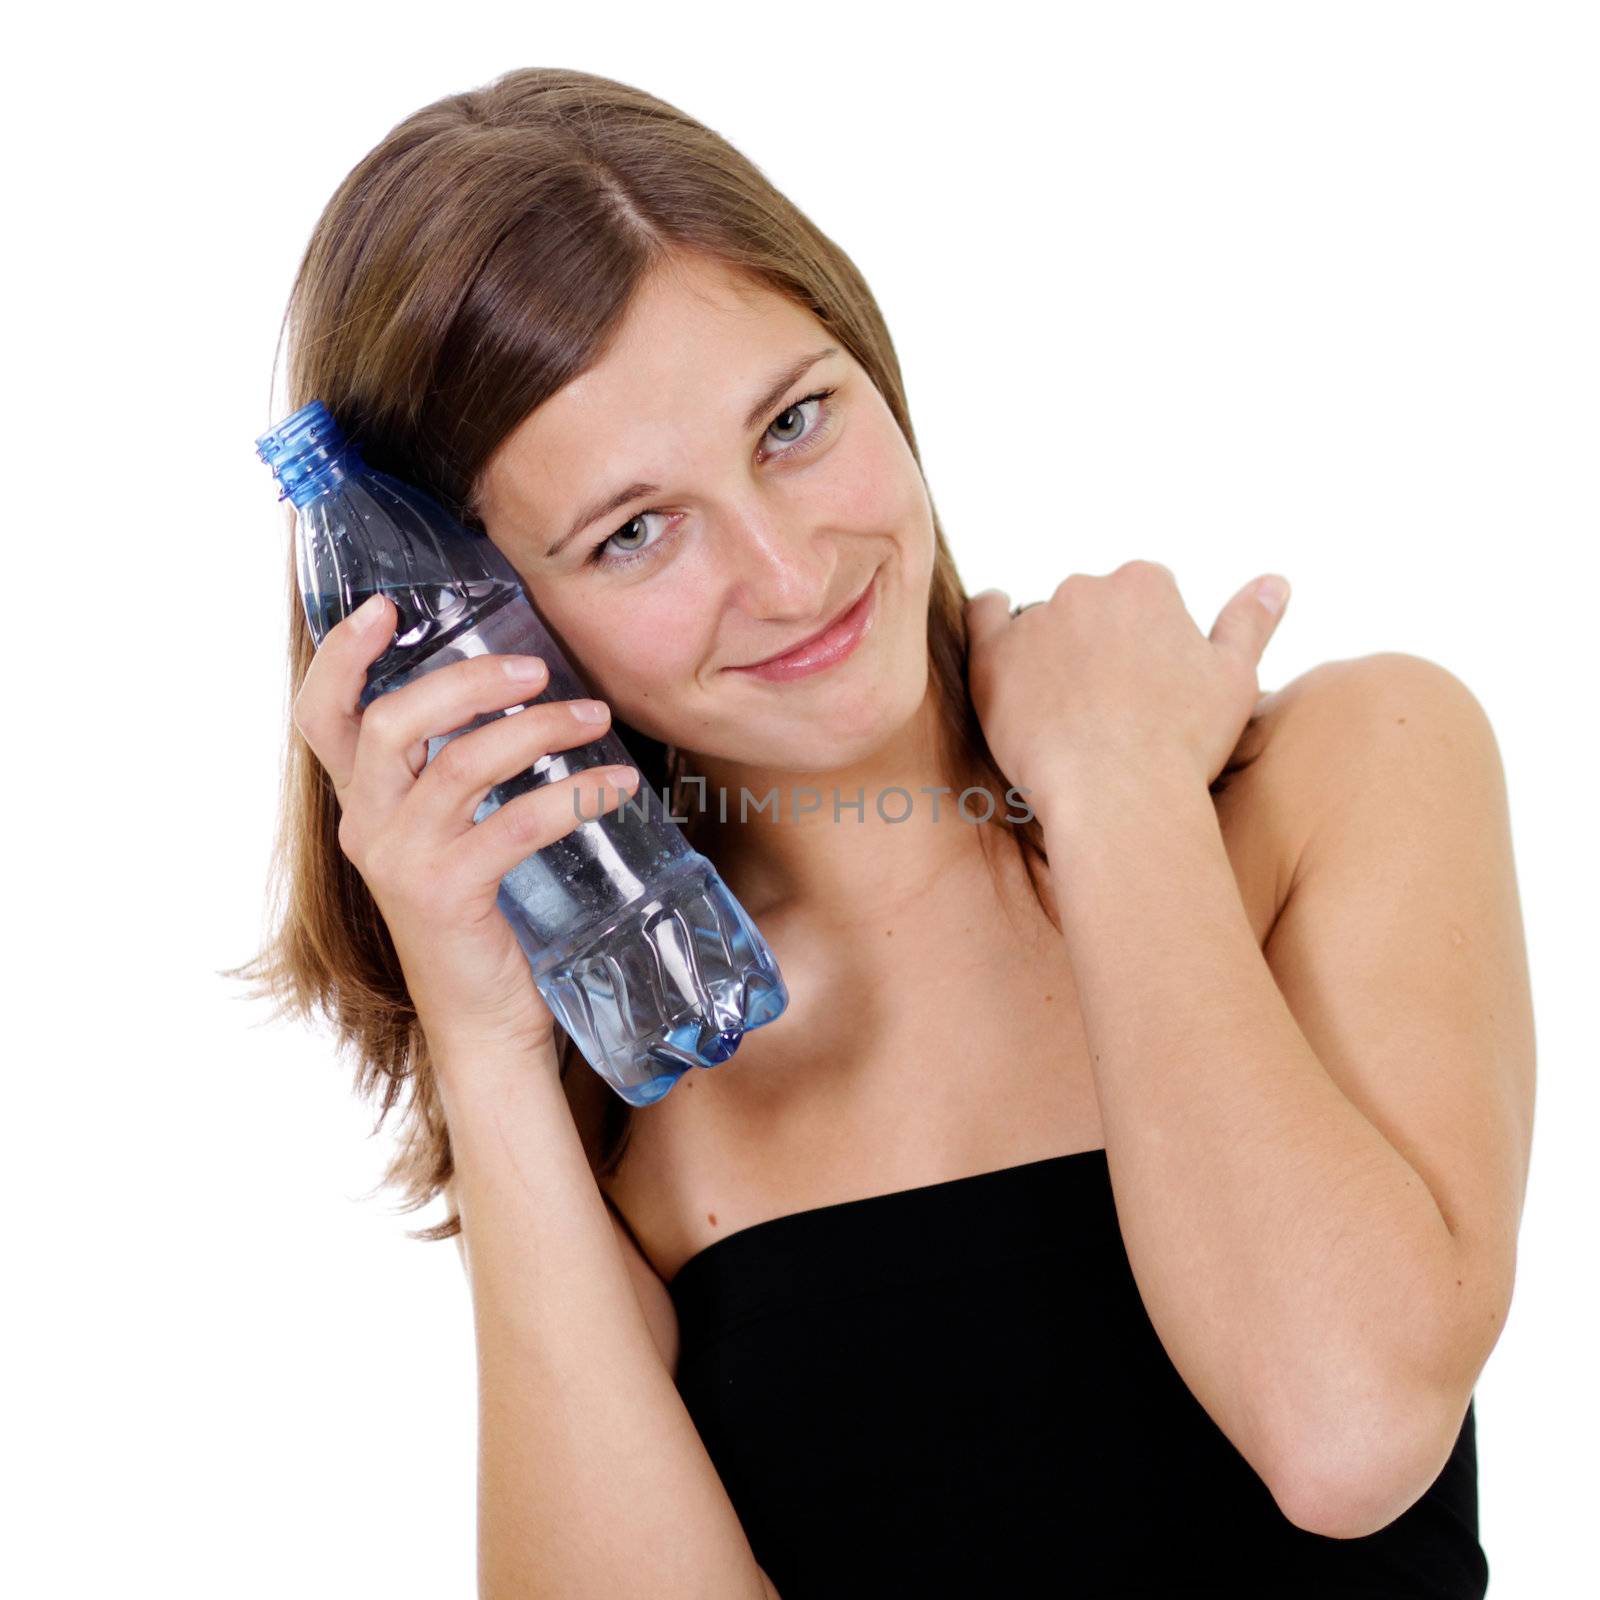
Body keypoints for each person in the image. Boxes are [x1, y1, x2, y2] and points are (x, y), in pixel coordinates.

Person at [234, 65, 1534, 1598]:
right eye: (634, 531)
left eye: (792, 421)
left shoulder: (1340, 767)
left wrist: (1113, 791)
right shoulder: (621, 1082)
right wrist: (488, 1041)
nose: (791, 574)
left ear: (870, 358)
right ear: (475, 623)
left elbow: (1347, 1434)